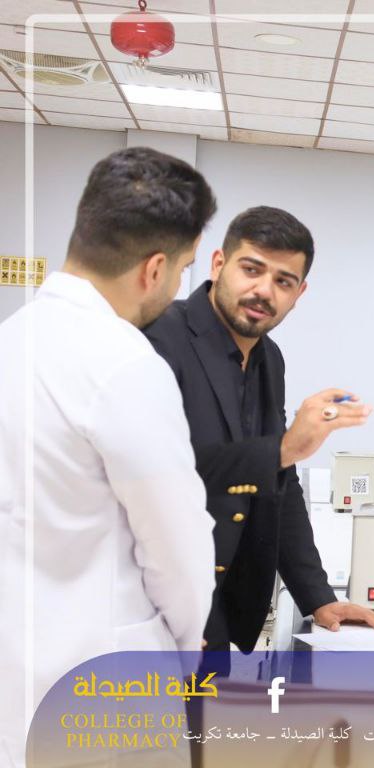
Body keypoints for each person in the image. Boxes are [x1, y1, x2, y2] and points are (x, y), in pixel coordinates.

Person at [0, 147, 218, 766]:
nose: (178, 287)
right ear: (155, 269)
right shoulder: (124, 364)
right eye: (184, 269)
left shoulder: (12, 341)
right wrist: (183, 651)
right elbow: (178, 548)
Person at [143, 206, 374, 660]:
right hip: (150, 609)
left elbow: (279, 481)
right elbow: (148, 475)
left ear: (299, 293)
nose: (264, 290)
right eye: (251, 269)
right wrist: (284, 448)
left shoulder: (269, 358)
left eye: (283, 281)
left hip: (216, 609)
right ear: (218, 264)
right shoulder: (159, 338)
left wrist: (318, 597)